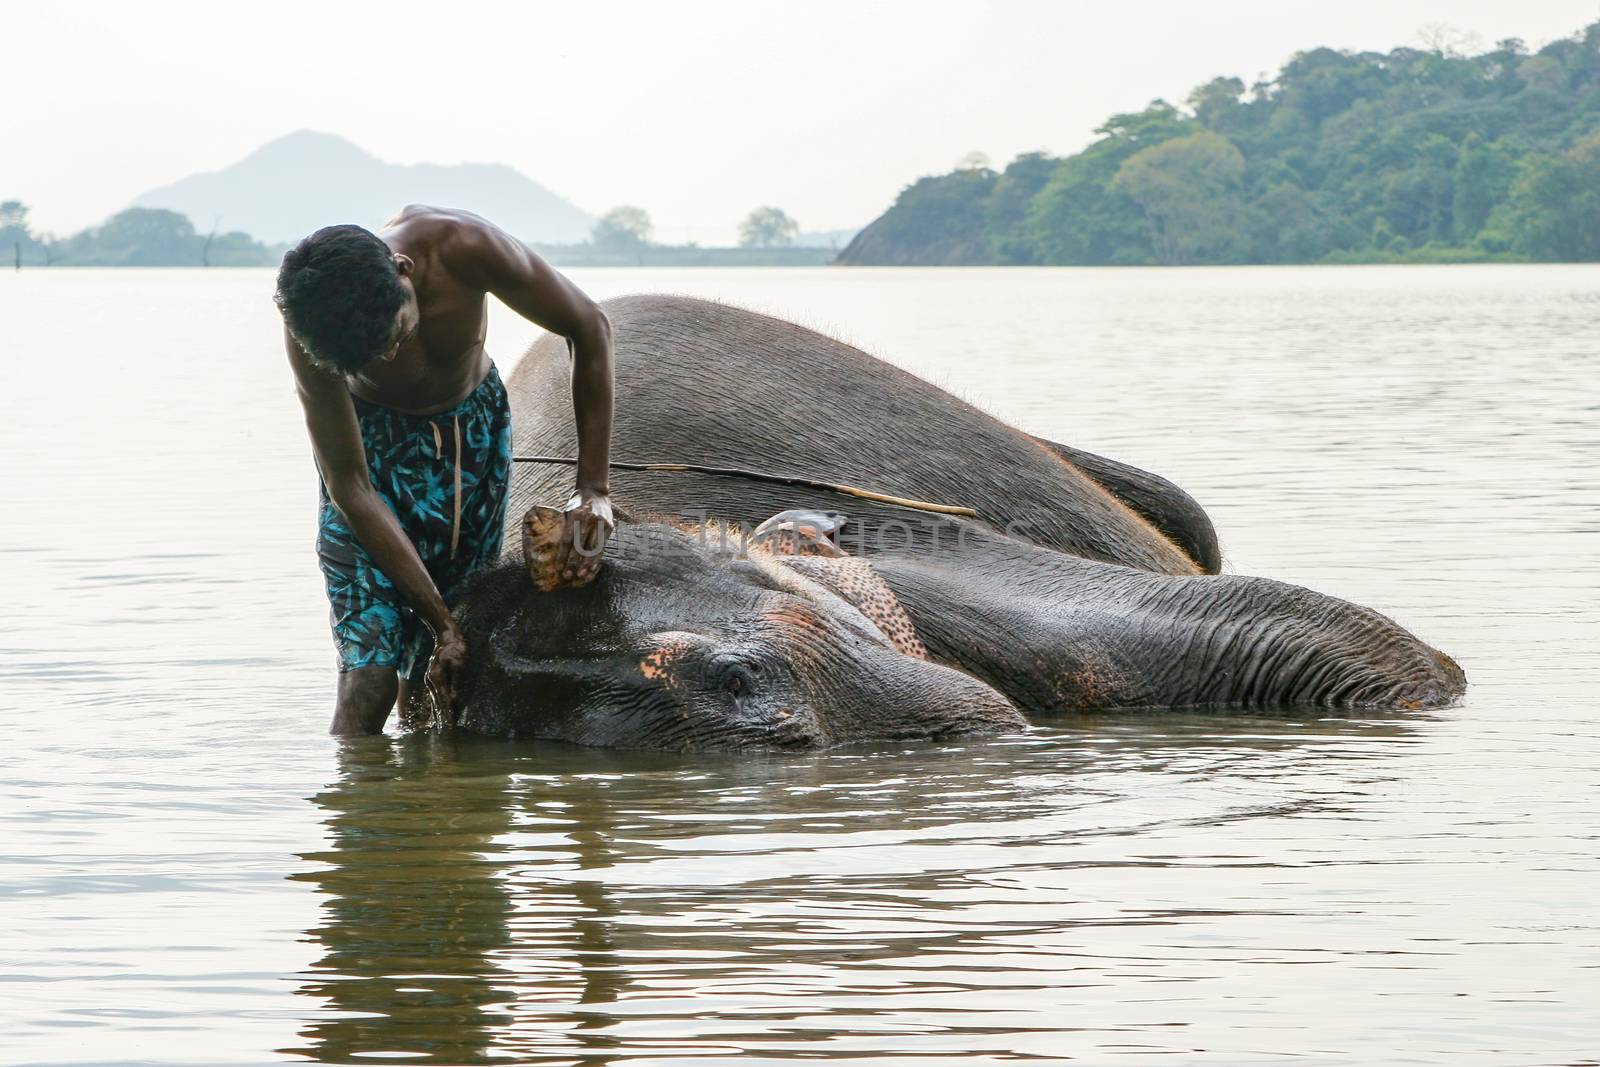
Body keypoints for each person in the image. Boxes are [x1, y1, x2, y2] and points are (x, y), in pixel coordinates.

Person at [274, 205, 614, 735]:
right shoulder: (311, 328)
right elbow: (350, 486)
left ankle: (433, 803)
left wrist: (592, 488)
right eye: (366, 358)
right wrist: (441, 624)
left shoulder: (465, 246)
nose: (386, 358)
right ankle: (354, 805)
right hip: (369, 466)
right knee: (371, 678)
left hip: (469, 450)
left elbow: (589, 326)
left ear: (404, 270)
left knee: (441, 680)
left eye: (395, 334)